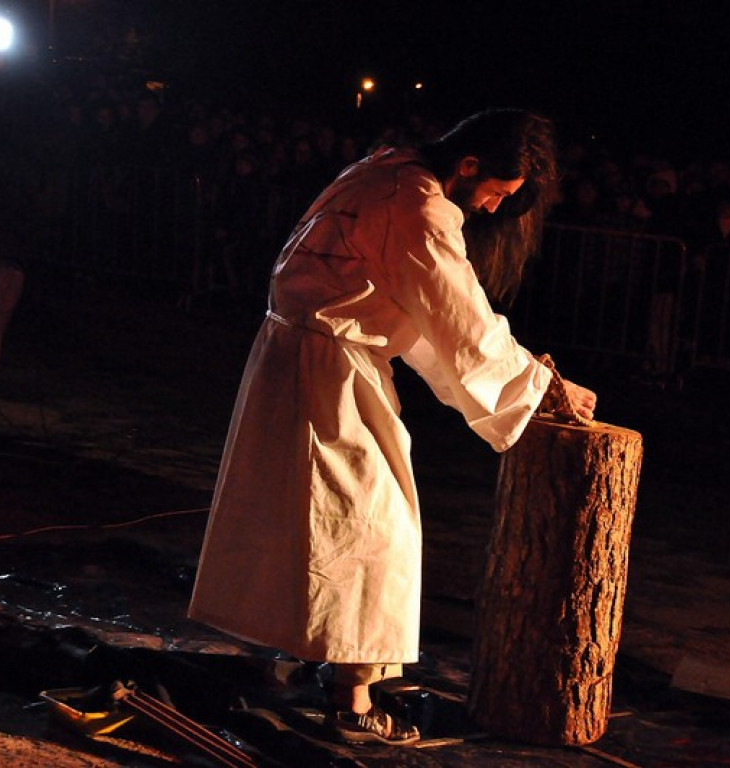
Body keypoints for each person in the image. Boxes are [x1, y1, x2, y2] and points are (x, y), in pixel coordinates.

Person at [187, 109, 596, 745]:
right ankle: (353, 701)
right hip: (329, 370)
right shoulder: (418, 207)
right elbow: (462, 321)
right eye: (495, 192)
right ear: (468, 165)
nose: (492, 208)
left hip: (304, 355)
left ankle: (306, 656)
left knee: (316, 517)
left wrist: (522, 383)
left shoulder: (384, 169)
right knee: (373, 530)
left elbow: (427, 317)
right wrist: (541, 387)